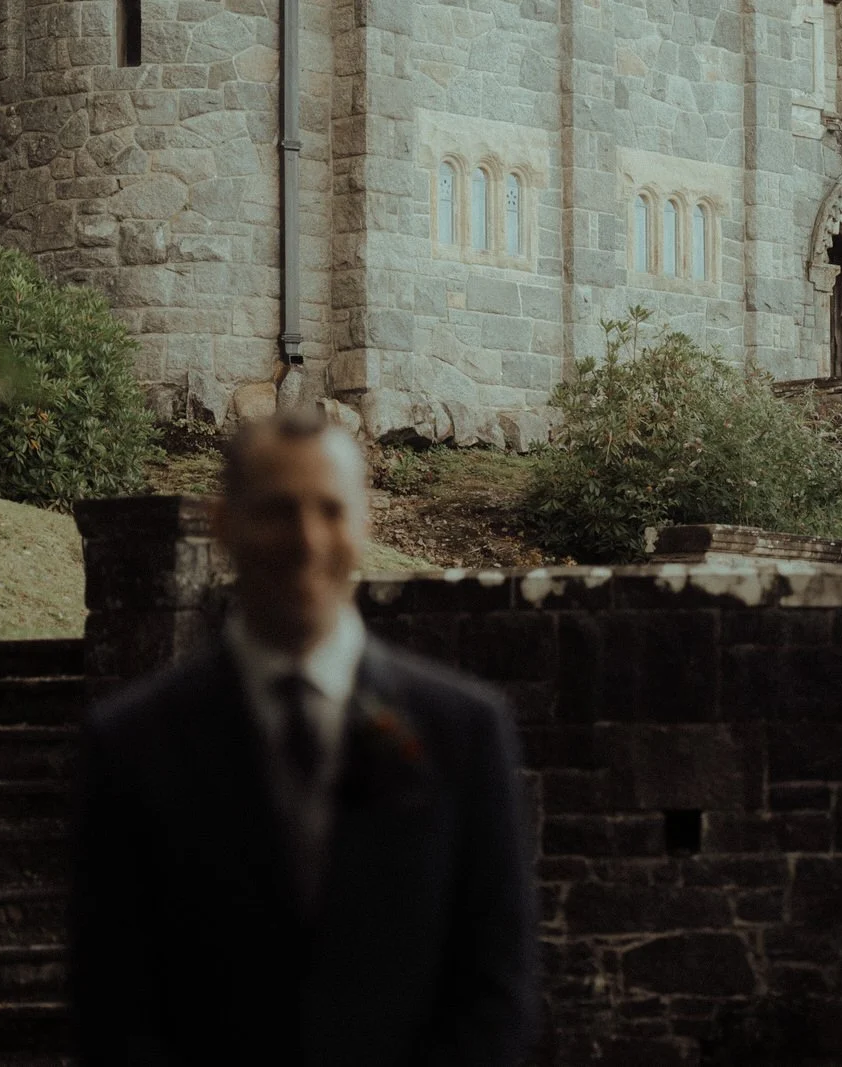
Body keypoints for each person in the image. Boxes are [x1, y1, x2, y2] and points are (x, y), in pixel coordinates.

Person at [68, 408, 538, 1066]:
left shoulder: (463, 732)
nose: (307, 539)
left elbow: (496, 988)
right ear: (224, 524)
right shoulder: (133, 745)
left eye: (330, 509)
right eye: (278, 510)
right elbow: (113, 1005)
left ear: (365, 521)